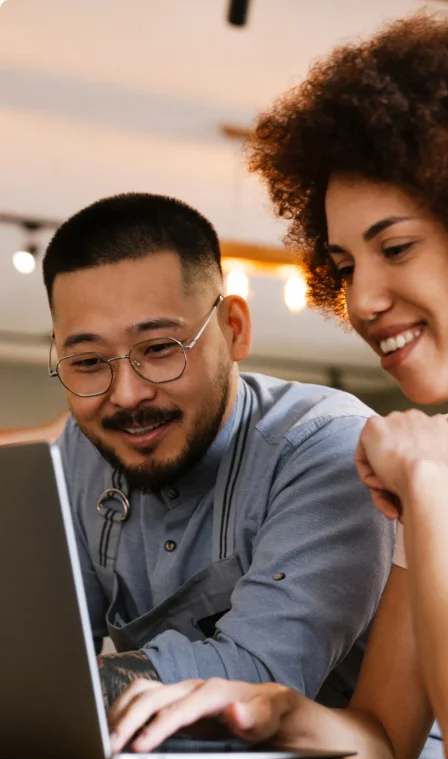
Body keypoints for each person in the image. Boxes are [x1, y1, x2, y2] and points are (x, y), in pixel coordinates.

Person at [107, 6, 448, 759]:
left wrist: (426, 489)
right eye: (345, 264)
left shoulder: (428, 471)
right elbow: (389, 735)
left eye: (396, 248)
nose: (360, 301)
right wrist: (273, 710)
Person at [43, 192, 394, 709]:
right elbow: (47, 647)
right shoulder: (82, 451)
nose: (125, 396)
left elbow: (263, 673)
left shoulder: (328, 445)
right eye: (89, 362)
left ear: (234, 329)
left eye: (160, 349)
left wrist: (58, 687)